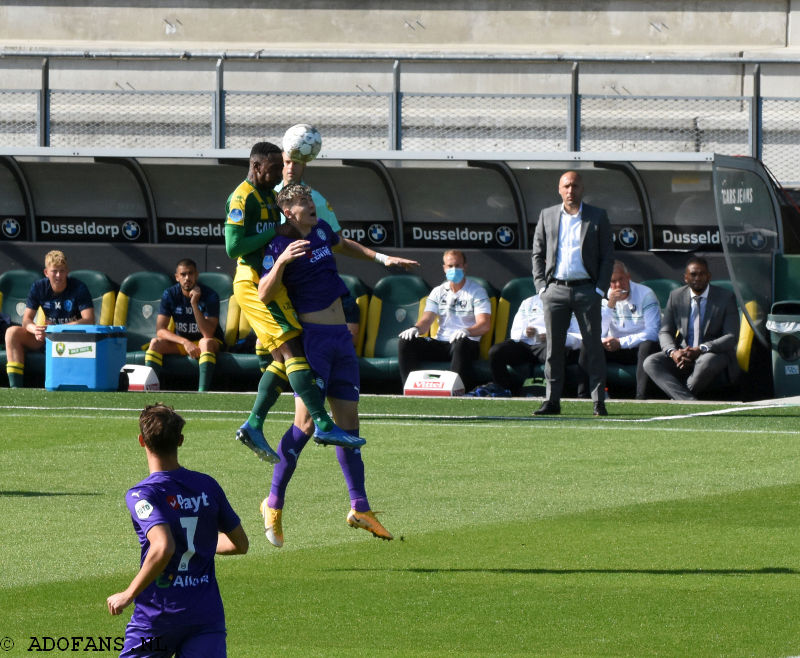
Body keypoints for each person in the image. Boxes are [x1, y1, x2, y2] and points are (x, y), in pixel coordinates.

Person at [258, 183, 407, 545]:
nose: (311, 205)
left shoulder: (322, 229)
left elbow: (343, 244)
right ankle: (273, 503)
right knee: (306, 425)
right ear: (287, 210)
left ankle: (359, 507)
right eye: (303, 202)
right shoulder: (279, 244)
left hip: (341, 339)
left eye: (311, 200)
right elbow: (263, 292)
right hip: (314, 343)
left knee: (349, 426)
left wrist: (380, 259)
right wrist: (280, 263)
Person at [225, 141, 363, 464]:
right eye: (274, 168)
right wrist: (275, 233)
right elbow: (233, 248)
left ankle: (255, 424)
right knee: (291, 349)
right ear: (257, 167)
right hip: (252, 278)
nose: (278, 174)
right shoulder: (242, 197)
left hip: (270, 276)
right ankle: (323, 422)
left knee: (287, 353)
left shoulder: (269, 195)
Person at [107, 404, 248, 657]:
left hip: (157, 616)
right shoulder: (208, 486)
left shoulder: (142, 495)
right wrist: (202, 542)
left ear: (141, 441)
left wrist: (128, 594)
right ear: (180, 440)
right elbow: (240, 544)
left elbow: (164, 547)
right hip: (205, 616)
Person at [531, 170, 614, 416]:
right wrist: (541, 287)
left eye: (575, 186)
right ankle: (552, 401)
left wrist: (599, 288)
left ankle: (598, 401)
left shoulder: (598, 216)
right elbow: (537, 253)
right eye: (566, 186)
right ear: (559, 189)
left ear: (582, 189)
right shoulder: (547, 215)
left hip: (587, 289)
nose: (570, 190)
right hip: (555, 289)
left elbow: (607, 256)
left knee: (593, 348)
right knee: (553, 349)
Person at [643, 256, 740, 400]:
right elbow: (665, 331)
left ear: (709, 276)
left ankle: (681, 399)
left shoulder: (725, 297)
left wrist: (701, 349)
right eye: (693, 274)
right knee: (650, 362)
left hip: (712, 353)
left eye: (702, 274)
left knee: (705, 362)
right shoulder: (675, 296)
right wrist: (673, 352)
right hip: (682, 352)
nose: (698, 278)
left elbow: (731, 337)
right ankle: (688, 400)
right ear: (686, 278)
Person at [397, 249, 492, 391]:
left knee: (461, 343)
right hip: (441, 342)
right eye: (450, 266)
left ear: (465, 266)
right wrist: (416, 328)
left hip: (466, 344)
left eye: (458, 266)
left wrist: (467, 331)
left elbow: (484, 325)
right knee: (406, 342)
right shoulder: (438, 291)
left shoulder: (477, 291)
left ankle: (456, 391)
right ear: (444, 268)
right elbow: (426, 320)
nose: (454, 269)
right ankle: (410, 389)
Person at [4, 250, 94, 388]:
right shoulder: (38, 287)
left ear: (67, 271)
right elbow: (26, 320)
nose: (58, 275)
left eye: (62, 271)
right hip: (48, 335)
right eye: (54, 271)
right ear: (46, 272)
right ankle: (16, 389)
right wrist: (35, 330)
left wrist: (58, 329)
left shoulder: (79, 287)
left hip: (72, 337)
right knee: (12, 333)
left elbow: (89, 320)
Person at [144, 258, 225, 392]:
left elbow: (208, 333)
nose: (187, 278)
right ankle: (150, 391)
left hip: (208, 343)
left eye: (190, 274)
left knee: (205, 342)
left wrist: (194, 304)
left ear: (196, 275)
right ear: (177, 277)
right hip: (183, 343)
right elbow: (160, 330)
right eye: (183, 274)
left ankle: (203, 392)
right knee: (155, 343)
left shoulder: (210, 295)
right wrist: (185, 342)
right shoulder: (170, 294)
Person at [488, 294, 586, 397]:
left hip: (551, 344)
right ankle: (507, 391)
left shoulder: (570, 303)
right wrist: (526, 332)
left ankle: (556, 396)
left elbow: (579, 336)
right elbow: (515, 333)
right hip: (526, 344)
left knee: (555, 352)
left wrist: (555, 337)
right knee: (496, 351)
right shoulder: (528, 302)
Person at [600, 260, 661, 400]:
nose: (618, 285)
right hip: (615, 348)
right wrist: (610, 306)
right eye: (613, 281)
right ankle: (593, 396)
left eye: (621, 279)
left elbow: (653, 332)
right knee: (590, 347)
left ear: (628, 277)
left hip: (638, 347)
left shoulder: (646, 295)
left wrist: (621, 342)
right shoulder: (603, 297)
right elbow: (599, 332)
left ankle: (641, 398)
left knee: (647, 345)